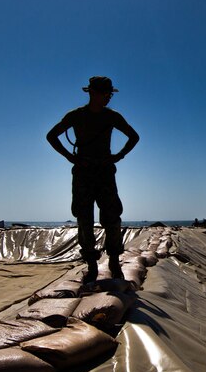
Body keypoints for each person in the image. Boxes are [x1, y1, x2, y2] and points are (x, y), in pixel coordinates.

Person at [47, 76, 140, 283]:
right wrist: (71, 157)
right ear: (92, 93)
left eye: (109, 94)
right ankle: (91, 265)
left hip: (105, 173)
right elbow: (51, 136)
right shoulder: (76, 115)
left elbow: (134, 136)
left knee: (112, 218)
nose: (108, 98)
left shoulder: (112, 116)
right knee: (84, 219)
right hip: (84, 173)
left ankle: (114, 262)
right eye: (105, 94)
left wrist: (118, 156)